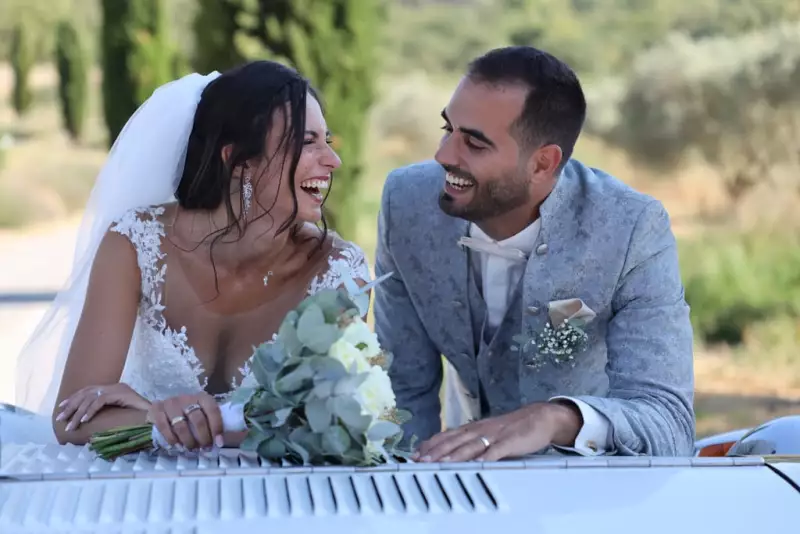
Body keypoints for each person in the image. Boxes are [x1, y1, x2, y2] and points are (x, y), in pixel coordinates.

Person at [9, 61, 372, 451]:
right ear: (239, 162)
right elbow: (71, 417)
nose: (332, 161)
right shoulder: (135, 244)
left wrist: (178, 419)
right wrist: (153, 417)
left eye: (327, 141)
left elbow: (332, 422)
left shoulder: (339, 272)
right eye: (307, 142)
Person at [372, 46, 695, 461]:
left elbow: (668, 424)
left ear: (543, 163)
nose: (443, 155)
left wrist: (554, 419)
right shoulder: (407, 202)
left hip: (584, 495)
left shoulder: (632, 229)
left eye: (474, 143)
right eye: (447, 128)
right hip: (452, 488)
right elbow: (401, 390)